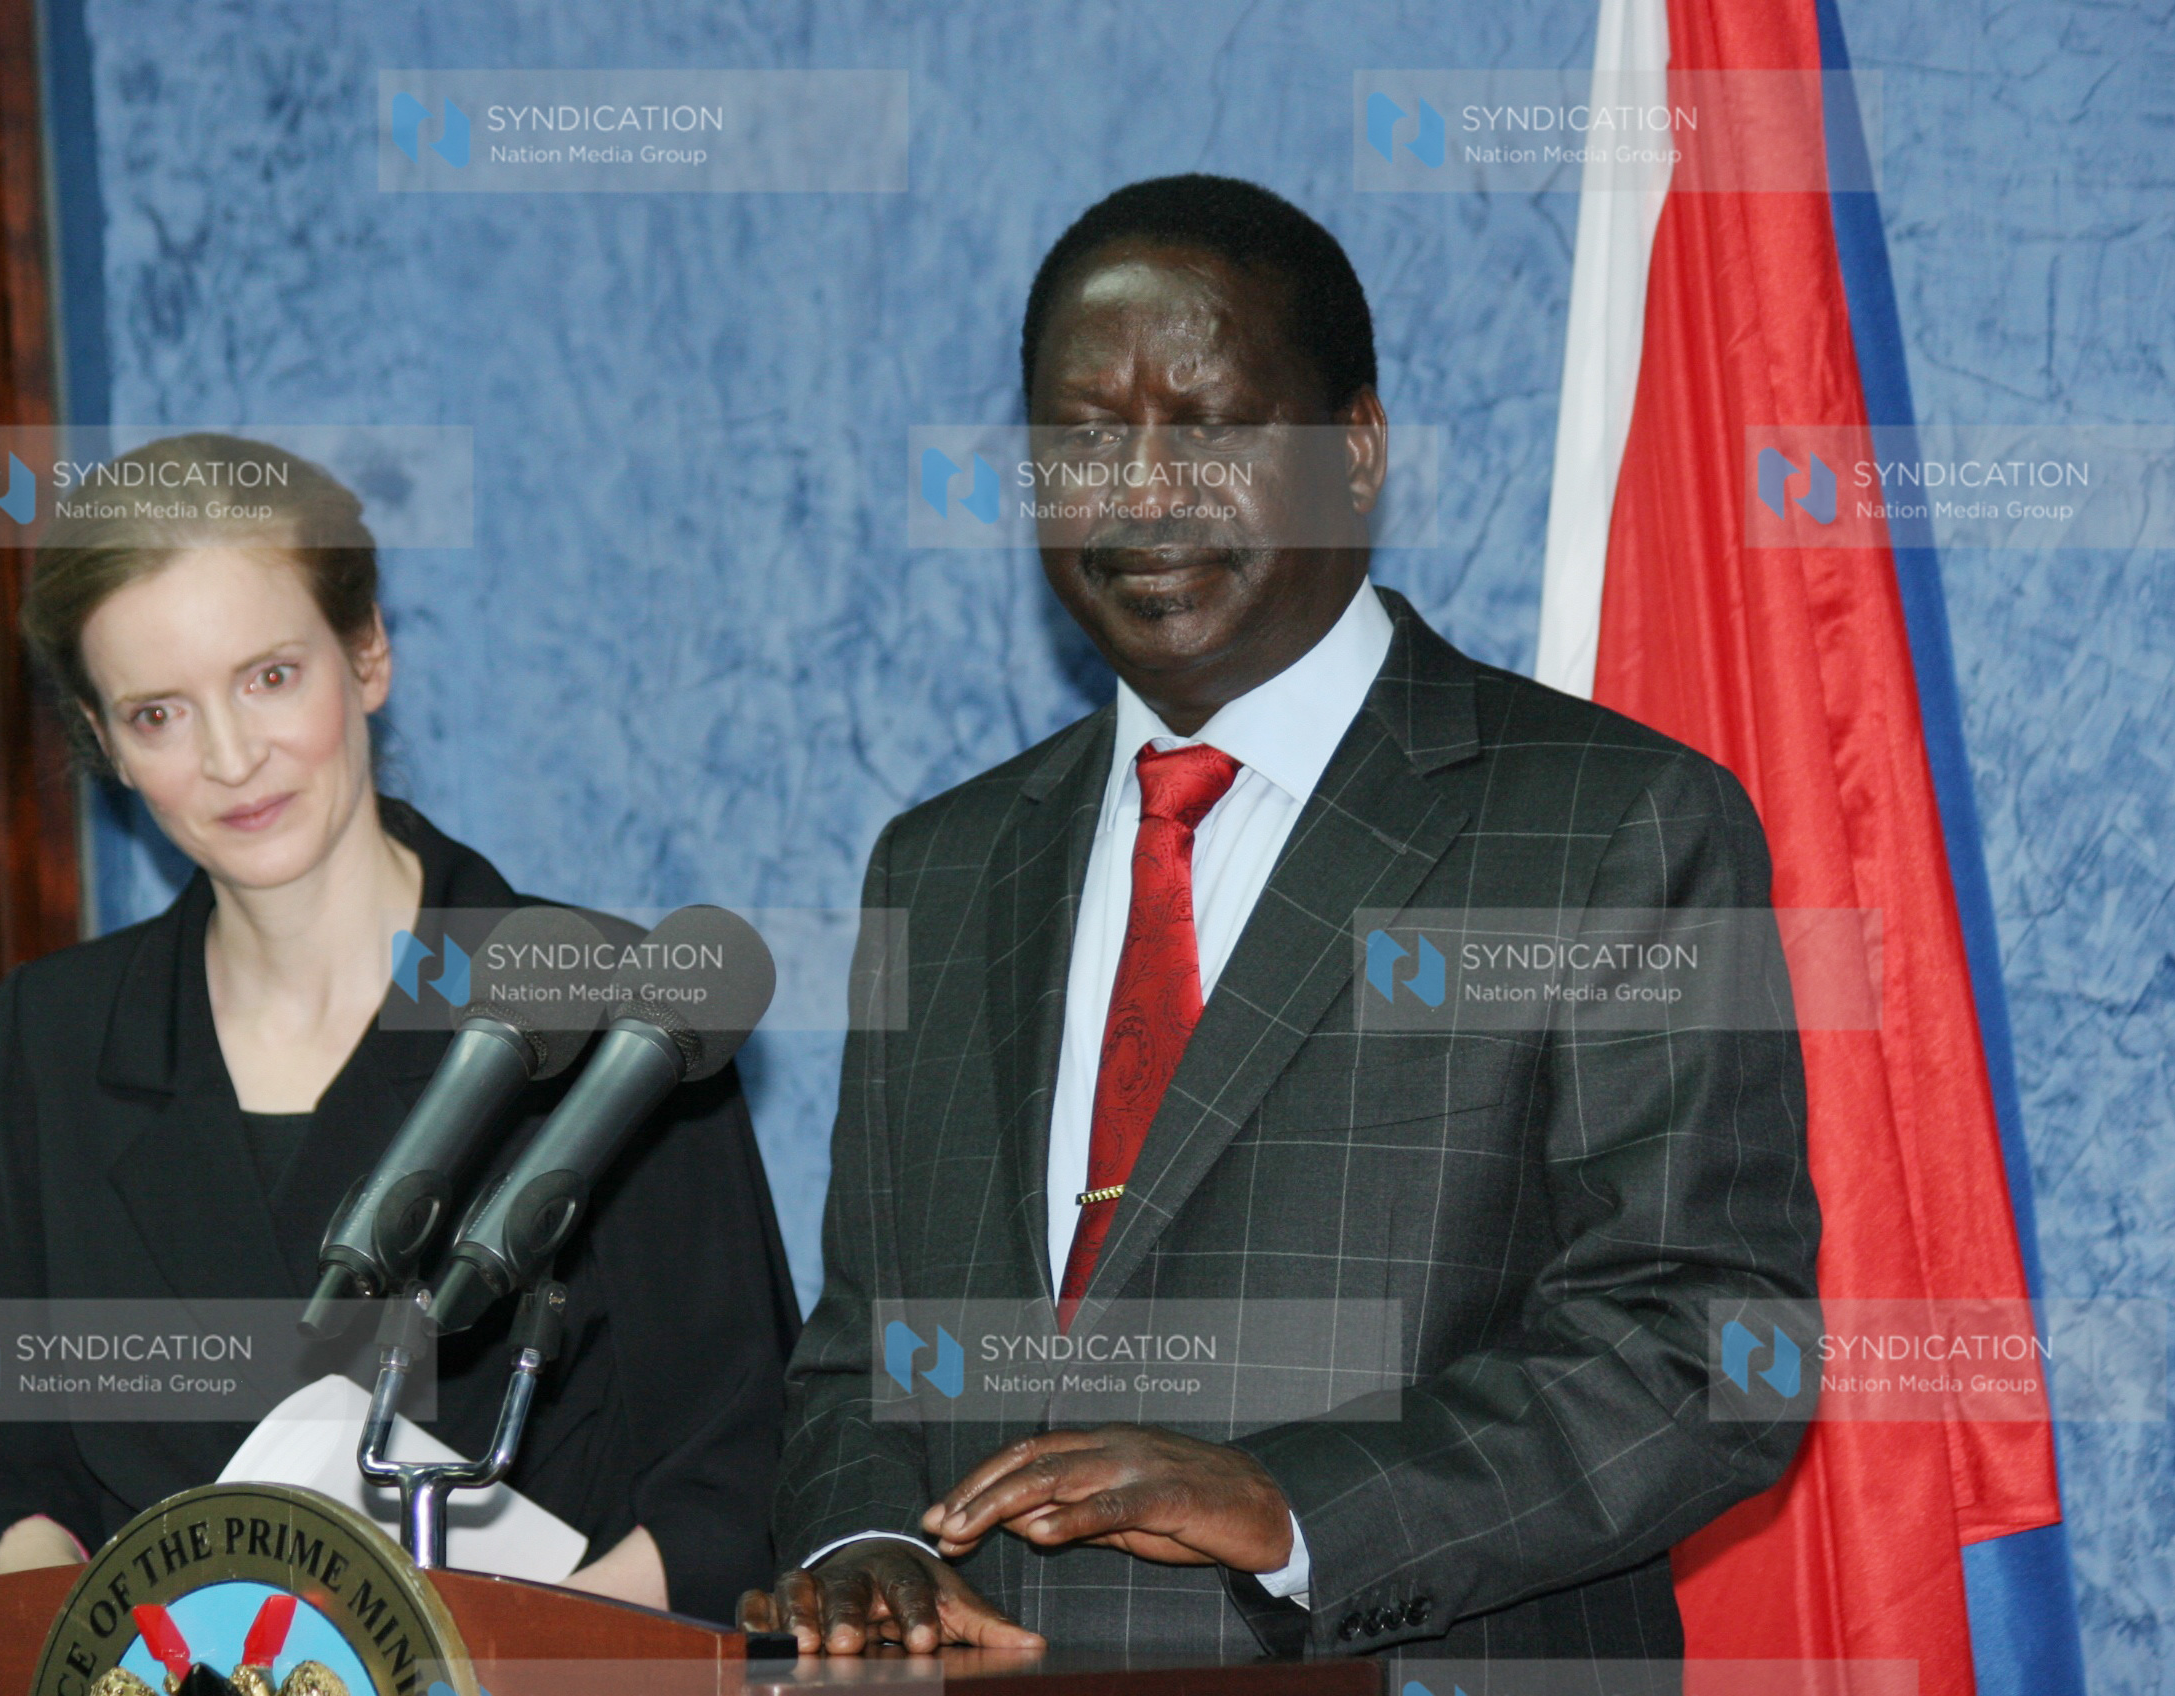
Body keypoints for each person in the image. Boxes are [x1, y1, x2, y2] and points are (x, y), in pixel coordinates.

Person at [742, 175, 1822, 1663]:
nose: (1142, 488)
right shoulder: (936, 867)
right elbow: (862, 1352)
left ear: (1357, 453)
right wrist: (866, 1545)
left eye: (1213, 426)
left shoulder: (1607, 830)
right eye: (1083, 437)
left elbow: (1707, 1349)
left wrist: (1293, 1504)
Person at [0, 433, 801, 1624]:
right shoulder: (47, 1041)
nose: (233, 757)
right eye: (160, 712)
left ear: (368, 652)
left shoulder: (620, 1010)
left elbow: (736, 1478)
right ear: (104, 740)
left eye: (270, 676)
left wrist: (487, 1673)